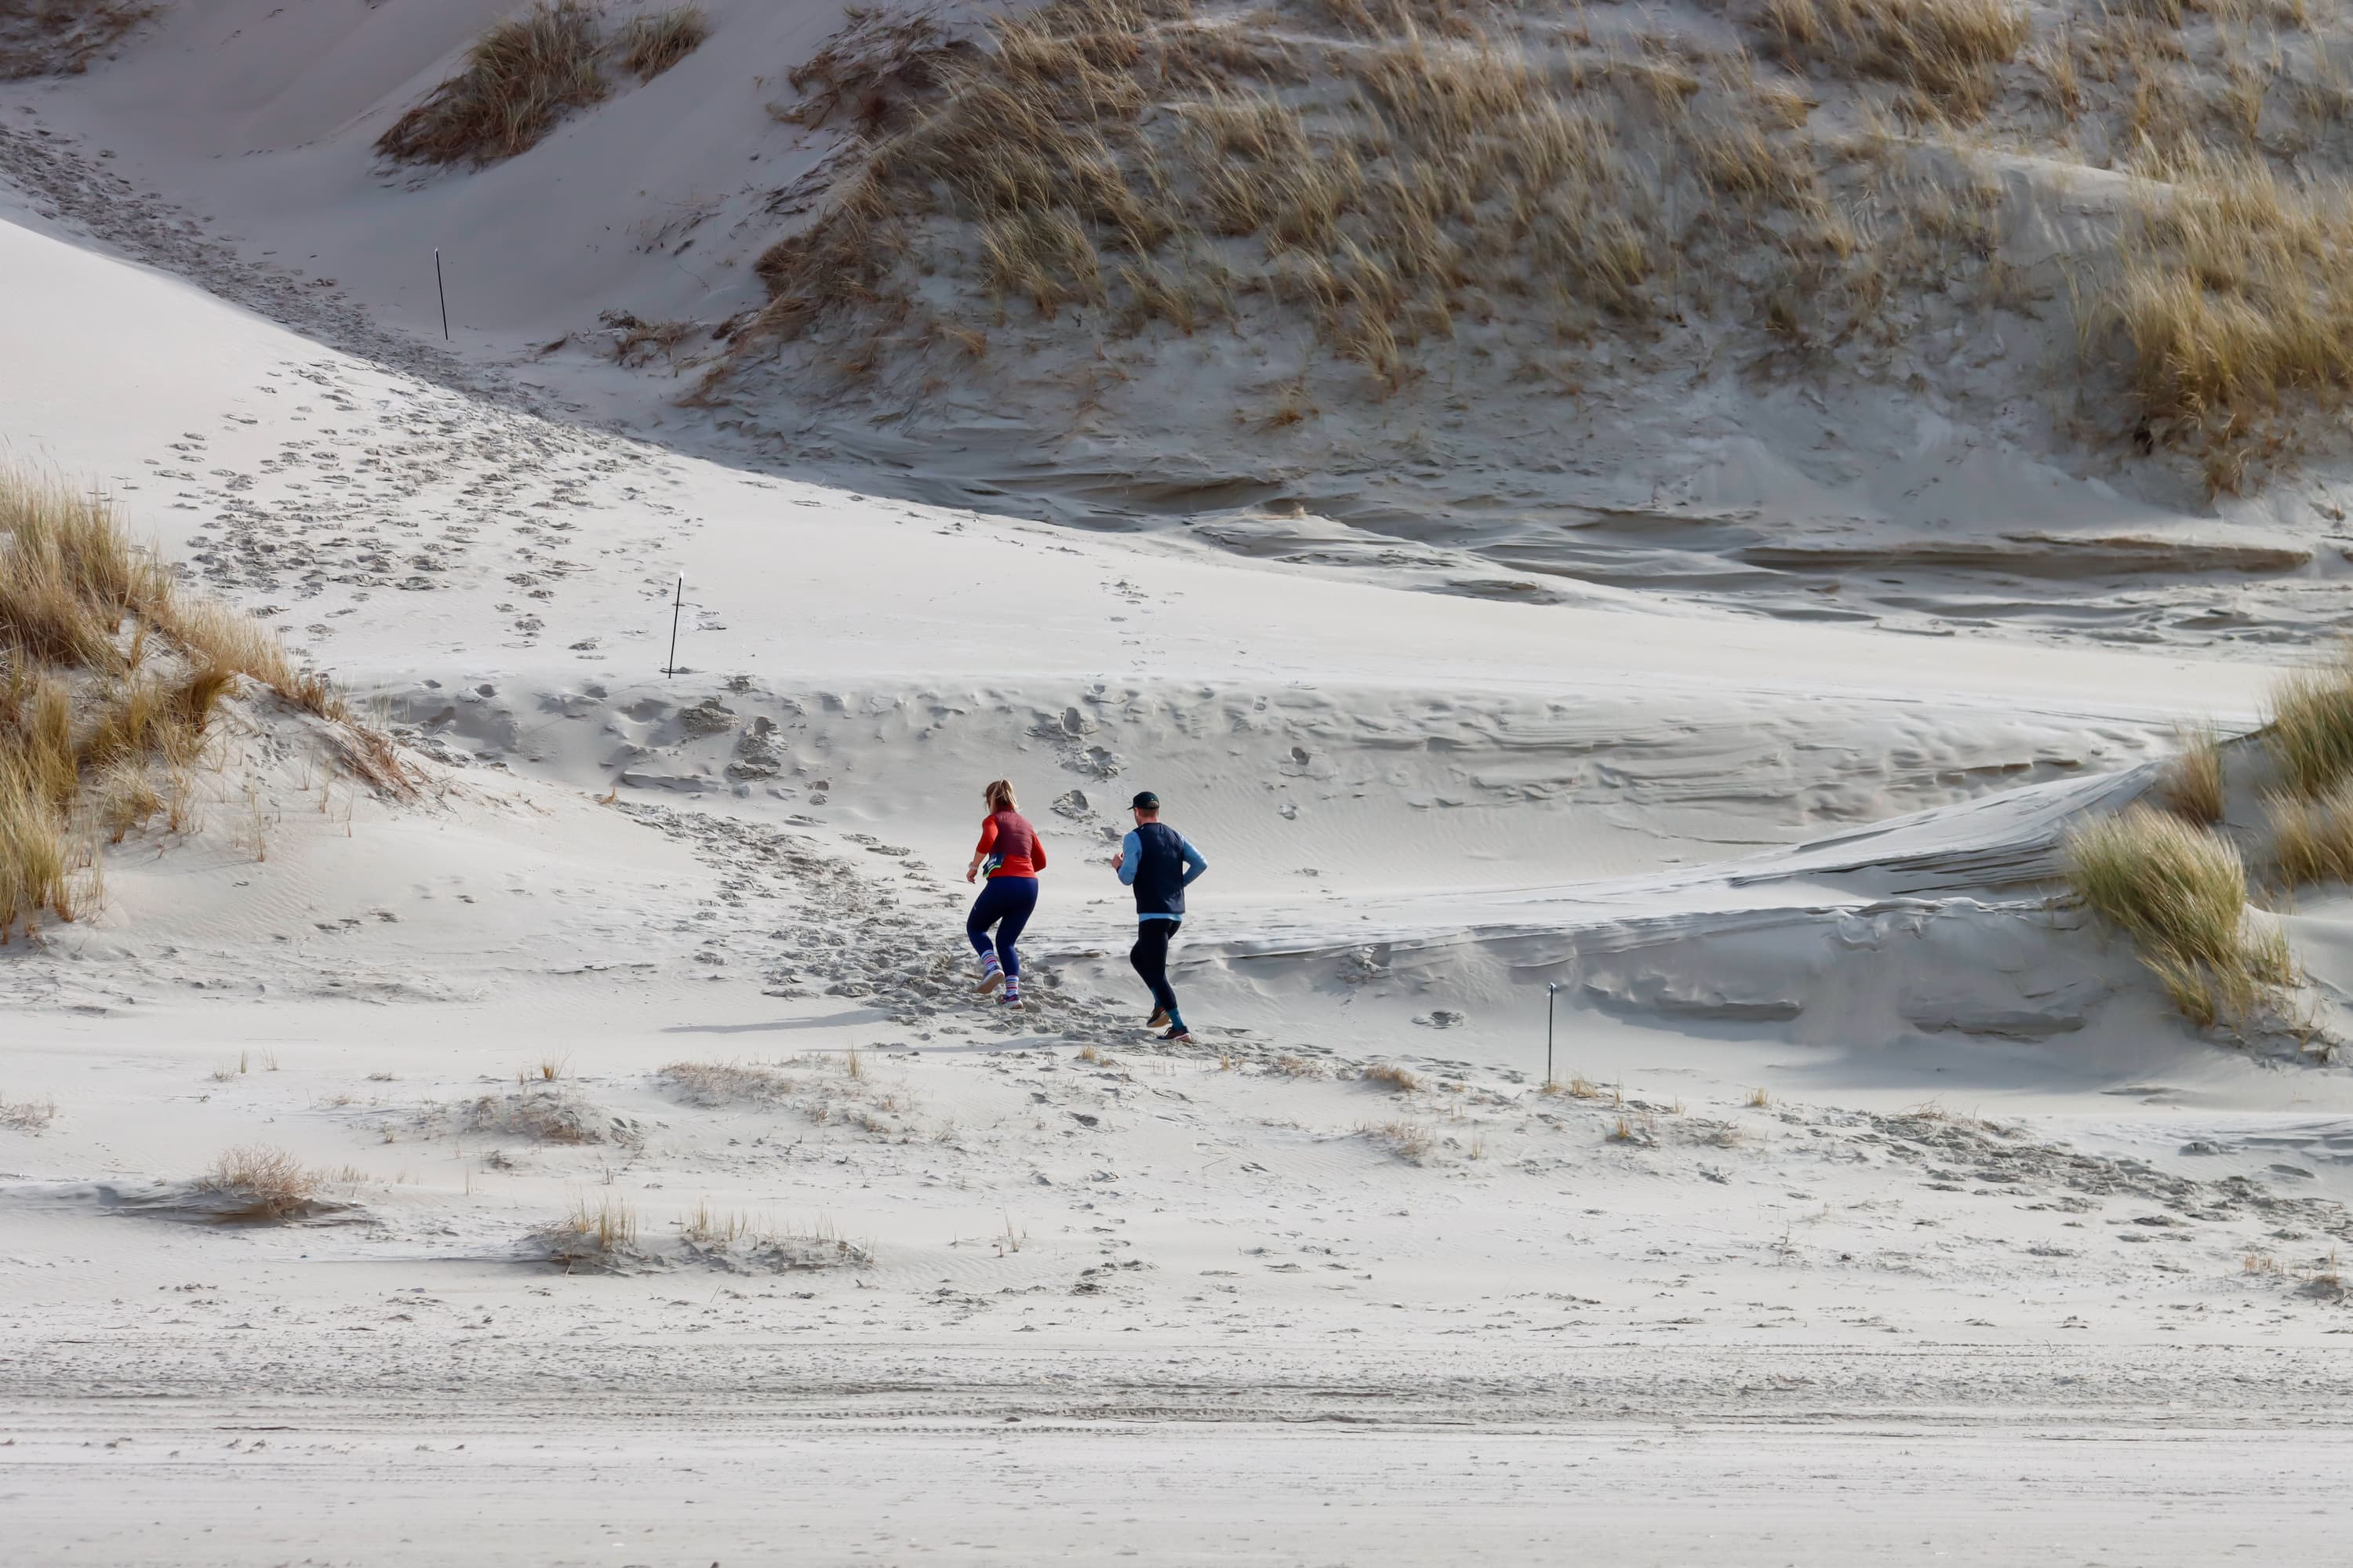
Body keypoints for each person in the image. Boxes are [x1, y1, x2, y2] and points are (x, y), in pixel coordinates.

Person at [1110, 789, 1207, 1042]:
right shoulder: (1176, 836)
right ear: (1157, 811)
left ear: (1137, 812)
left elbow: (1127, 877)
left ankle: (1179, 1027)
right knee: (1138, 957)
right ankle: (1160, 1005)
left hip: (1152, 915)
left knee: (1155, 972)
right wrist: (1179, 885)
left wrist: (1117, 866)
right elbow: (1201, 863)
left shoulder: (1134, 838)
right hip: (1174, 916)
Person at [965, 778, 1045, 1007]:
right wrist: (1022, 868)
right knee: (1006, 942)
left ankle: (992, 967)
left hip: (1003, 884)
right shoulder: (1026, 824)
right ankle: (1012, 996)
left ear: (990, 801)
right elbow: (1041, 860)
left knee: (976, 927)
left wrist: (974, 867)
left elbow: (988, 839)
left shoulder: (993, 819)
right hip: (1030, 886)